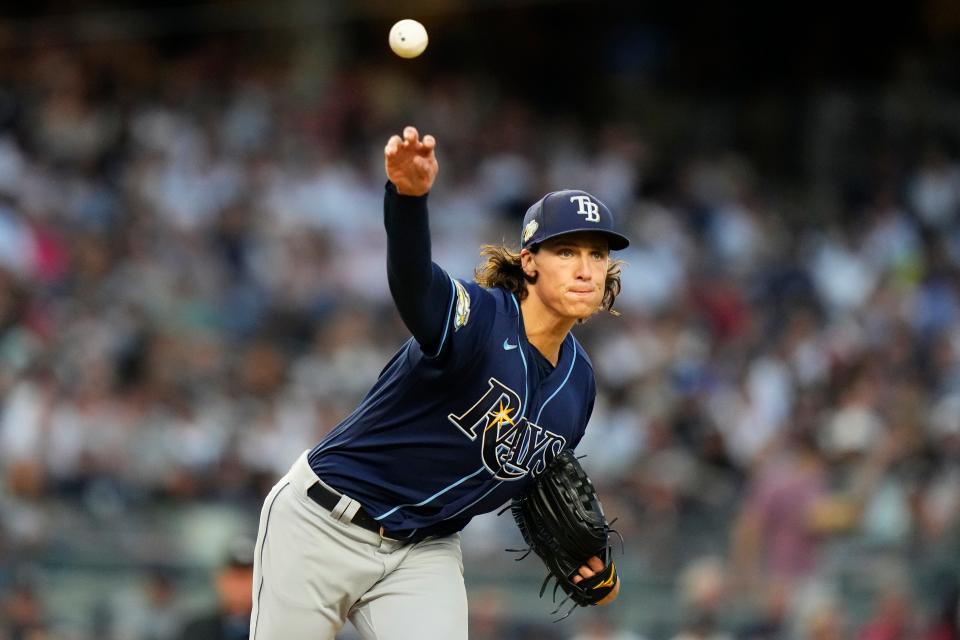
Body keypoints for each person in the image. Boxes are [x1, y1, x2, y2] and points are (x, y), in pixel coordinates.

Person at [250, 126, 629, 640]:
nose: (586, 269)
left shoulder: (579, 386)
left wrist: (584, 557)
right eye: (566, 252)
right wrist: (408, 200)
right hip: (321, 523)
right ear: (529, 261)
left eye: (597, 254)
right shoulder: (481, 319)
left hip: (423, 551)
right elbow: (414, 288)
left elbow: (530, 480)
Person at [178, 537, 255, 640]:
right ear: (220, 580)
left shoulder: (273, 629)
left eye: (246, 577)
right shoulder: (197, 630)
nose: (240, 587)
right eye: (235, 577)